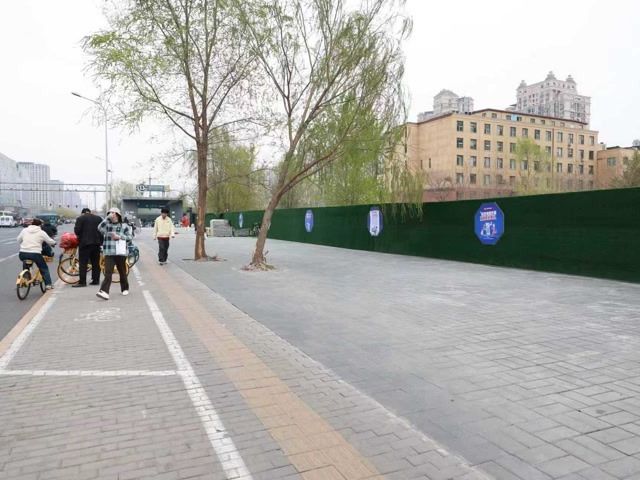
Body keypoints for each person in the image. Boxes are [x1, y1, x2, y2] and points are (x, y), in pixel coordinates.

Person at [96, 207, 132, 300]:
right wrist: (106, 218)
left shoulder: (124, 226)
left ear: (117, 215)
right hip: (109, 252)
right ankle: (104, 291)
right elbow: (99, 228)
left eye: (113, 213)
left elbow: (130, 237)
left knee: (122, 272)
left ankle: (125, 288)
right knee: (108, 272)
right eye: (110, 213)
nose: (111, 215)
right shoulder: (107, 225)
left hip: (120, 252)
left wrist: (119, 237)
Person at [17, 218, 56, 290]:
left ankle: (26, 276)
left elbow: (18, 240)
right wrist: (54, 243)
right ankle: (48, 284)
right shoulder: (41, 232)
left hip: (22, 254)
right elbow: (50, 241)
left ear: (32, 224)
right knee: (44, 268)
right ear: (40, 225)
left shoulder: (24, 230)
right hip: (35, 254)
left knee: (26, 261)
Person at [73, 208, 103, 287]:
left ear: (82, 213)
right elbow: (102, 231)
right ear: (90, 212)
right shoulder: (98, 218)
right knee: (95, 263)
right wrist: (100, 242)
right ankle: (96, 280)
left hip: (84, 244)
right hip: (96, 244)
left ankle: (82, 282)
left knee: (83, 263)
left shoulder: (80, 218)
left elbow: (77, 231)